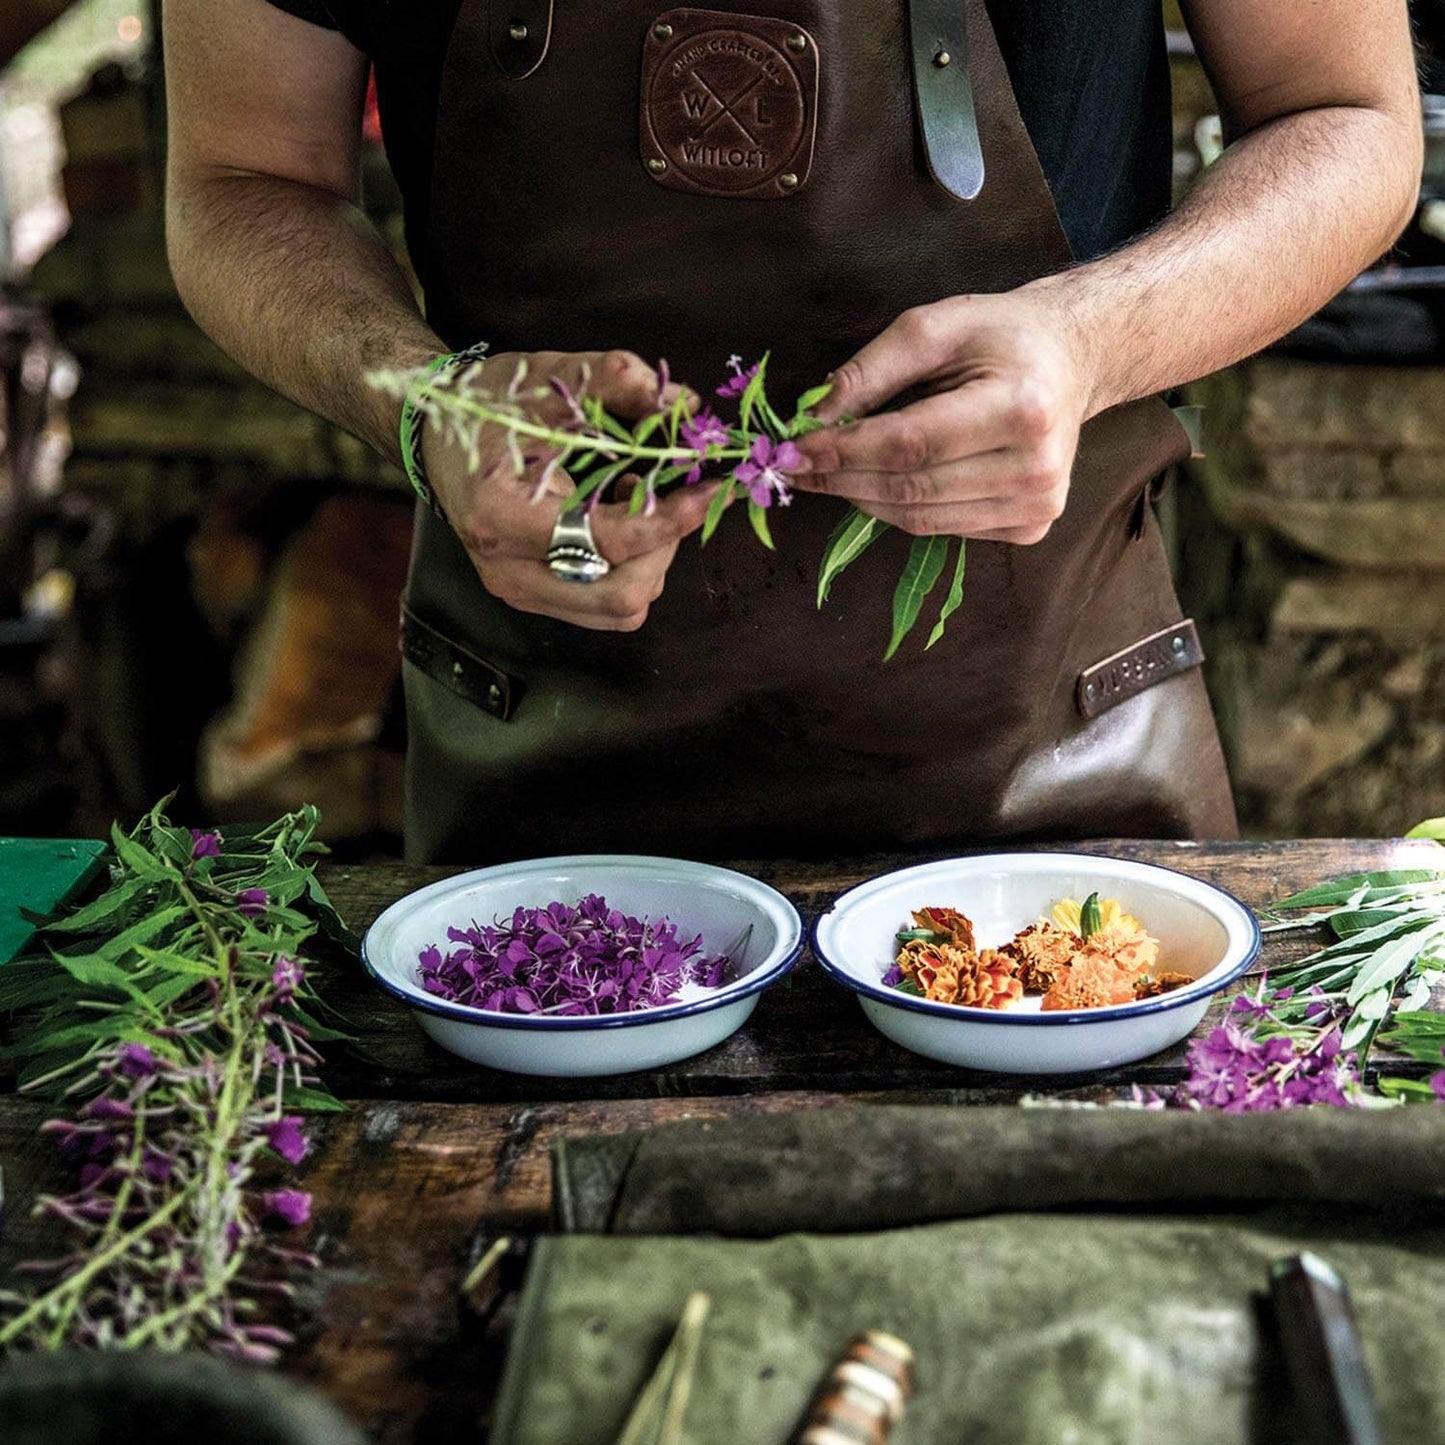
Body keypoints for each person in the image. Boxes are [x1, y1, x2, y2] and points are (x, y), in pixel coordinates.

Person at [164, 0, 1421, 863]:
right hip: (544, 805)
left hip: (1054, 805)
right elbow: (239, 177)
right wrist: (426, 402)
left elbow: (1346, 119)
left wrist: (1093, 336)